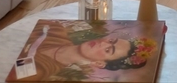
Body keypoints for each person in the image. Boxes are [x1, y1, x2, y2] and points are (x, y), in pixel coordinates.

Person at [8, 21, 157, 81]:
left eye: (107, 50)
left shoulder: (40, 70)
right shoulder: (56, 30)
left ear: (99, 63)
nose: (102, 42)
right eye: (110, 40)